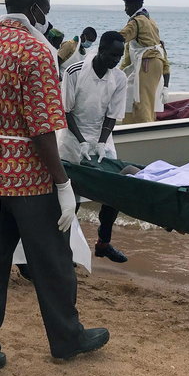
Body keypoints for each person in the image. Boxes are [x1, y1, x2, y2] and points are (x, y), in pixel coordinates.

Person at [0, 0, 109, 376]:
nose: (47, 18)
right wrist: (63, 184)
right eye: (46, 10)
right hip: (30, 180)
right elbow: (42, 129)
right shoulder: (37, 51)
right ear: (35, 9)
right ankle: (66, 339)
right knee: (52, 264)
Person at [60, 30, 128, 263]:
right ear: (100, 50)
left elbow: (112, 115)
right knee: (72, 196)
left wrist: (100, 143)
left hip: (101, 137)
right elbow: (65, 111)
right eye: (112, 55)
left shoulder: (119, 78)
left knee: (113, 192)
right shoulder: (74, 71)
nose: (115, 61)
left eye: (119, 57)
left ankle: (103, 243)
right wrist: (81, 142)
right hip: (72, 136)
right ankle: (65, 247)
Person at [118, 0, 170, 124]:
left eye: (127, 6)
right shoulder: (151, 22)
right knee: (141, 98)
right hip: (156, 65)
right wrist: (166, 85)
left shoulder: (136, 22)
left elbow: (120, 38)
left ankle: (142, 128)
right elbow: (161, 48)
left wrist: (106, 43)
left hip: (147, 64)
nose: (125, 10)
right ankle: (130, 123)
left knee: (141, 102)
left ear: (134, 5)